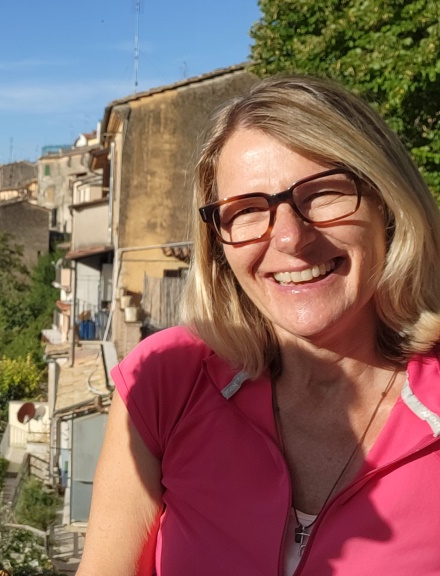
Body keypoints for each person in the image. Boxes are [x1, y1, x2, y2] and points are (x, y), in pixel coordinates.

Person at [78, 75, 440, 575]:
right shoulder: (167, 382)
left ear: (388, 204)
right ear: (218, 244)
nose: (290, 237)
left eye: (323, 193)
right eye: (247, 210)